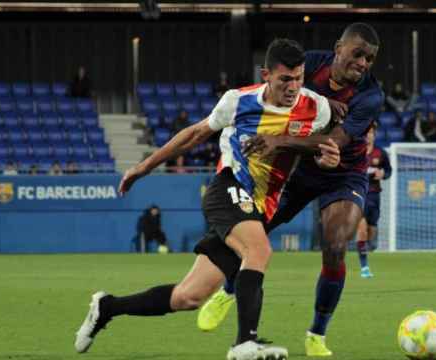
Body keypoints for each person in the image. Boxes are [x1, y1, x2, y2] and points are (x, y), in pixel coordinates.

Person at [74, 38, 339, 360]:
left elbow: (321, 145)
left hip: (257, 208)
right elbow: (194, 134)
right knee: (259, 250)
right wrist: (143, 168)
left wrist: (327, 157)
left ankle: (107, 307)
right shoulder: (238, 101)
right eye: (285, 79)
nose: (293, 86)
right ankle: (244, 343)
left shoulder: (317, 108)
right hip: (226, 188)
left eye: (299, 78)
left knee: (189, 297)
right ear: (266, 74)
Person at [197, 23, 384, 357]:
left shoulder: (371, 95)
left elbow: (333, 142)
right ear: (339, 47)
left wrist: (279, 139)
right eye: (358, 54)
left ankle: (316, 334)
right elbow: (276, 90)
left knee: (336, 242)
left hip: (344, 174)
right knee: (252, 231)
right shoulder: (311, 64)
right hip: (296, 168)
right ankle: (227, 290)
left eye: (369, 59)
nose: (363, 64)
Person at [355, 122, 391, 278]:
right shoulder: (356, 152)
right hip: (358, 194)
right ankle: (364, 267)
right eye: (366, 133)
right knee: (361, 229)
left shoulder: (380, 153)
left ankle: (367, 248)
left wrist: (382, 174)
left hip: (374, 195)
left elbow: (389, 170)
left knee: (371, 229)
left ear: (374, 136)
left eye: (371, 133)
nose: (368, 136)